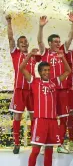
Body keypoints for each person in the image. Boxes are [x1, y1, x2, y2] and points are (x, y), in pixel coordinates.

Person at [20, 49, 71, 166]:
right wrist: (30, 55)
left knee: (49, 151)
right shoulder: (35, 82)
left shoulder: (54, 82)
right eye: (44, 70)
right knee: (36, 150)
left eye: (48, 70)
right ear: (40, 72)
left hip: (53, 121)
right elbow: (21, 68)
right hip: (40, 120)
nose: (47, 72)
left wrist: (63, 58)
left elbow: (67, 72)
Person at [37, 13, 73, 154]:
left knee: (64, 118)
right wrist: (41, 27)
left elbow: (70, 38)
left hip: (63, 90)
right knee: (49, 118)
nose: (58, 44)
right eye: (55, 42)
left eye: (59, 42)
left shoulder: (63, 52)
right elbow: (40, 42)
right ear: (50, 43)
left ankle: (60, 144)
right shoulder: (45, 52)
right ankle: (44, 143)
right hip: (49, 91)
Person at [6, 14, 37, 154]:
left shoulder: (33, 57)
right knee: (17, 117)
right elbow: (10, 38)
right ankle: (17, 143)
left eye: (26, 41)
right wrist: (9, 22)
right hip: (19, 90)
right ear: (18, 46)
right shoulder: (16, 54)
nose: (24, 43)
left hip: (31, 91)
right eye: (21, 42)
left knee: (33, 116)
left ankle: (35, 141)